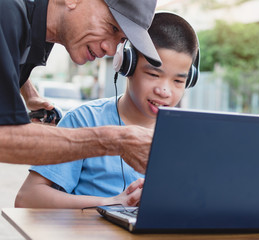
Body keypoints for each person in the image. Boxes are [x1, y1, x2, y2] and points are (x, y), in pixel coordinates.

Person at [15, 12, 200, 208]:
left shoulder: (191, 137)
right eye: (153, 74)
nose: (164, 91)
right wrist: (111, 203)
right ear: (127, 65)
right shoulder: (83, 120)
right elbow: (27, 198)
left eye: (178, 81)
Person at [0, 0, 162, 173]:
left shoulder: (30, 24)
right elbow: (4, 137)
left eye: (121, 39)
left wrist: (29, 93)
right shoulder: (7, 13)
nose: (110, 50)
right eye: (112, 28)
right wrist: (115, 140)